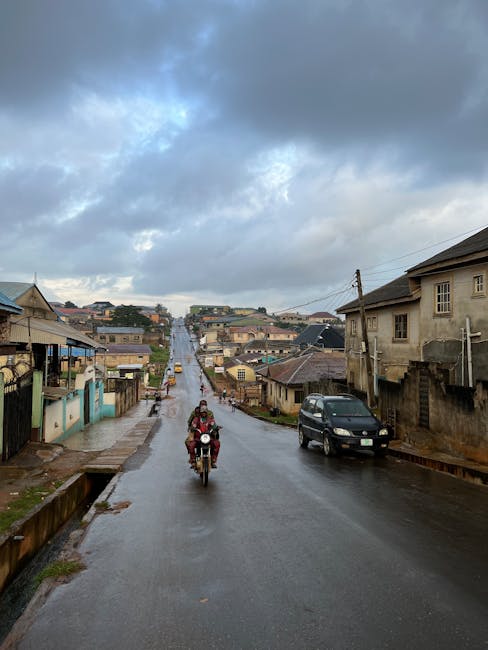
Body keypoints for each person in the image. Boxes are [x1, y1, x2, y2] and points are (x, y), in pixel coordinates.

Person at [187, 399, 220, 468]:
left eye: (205, 412)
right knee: (190, 445)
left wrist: (216, 427)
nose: (204, 413)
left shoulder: (210, 419)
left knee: (217, 443)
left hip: (208, 438)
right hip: (198, 438)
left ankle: (213, 459)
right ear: (200, 412)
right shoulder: (196, 419)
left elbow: (213, 424)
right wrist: (192, 427)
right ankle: (193, 460)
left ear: (207, 412)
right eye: (202, 412)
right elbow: (193, 424)